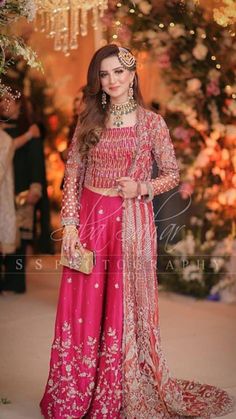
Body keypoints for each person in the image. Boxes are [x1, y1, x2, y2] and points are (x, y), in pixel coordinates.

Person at [40, 45, 235, 418]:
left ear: (132, 75)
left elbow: (172, 175)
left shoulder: (151, 123)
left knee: (120, 308)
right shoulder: (89, 120)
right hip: (90, 222)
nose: (112, 80)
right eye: (104, 74)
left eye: (118, 72)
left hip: (129, 225)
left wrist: (141, 188)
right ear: (98, 80)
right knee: (83, 308)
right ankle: (76, 392)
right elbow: (73, 175)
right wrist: (68, 225)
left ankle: (117, 389)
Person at [0, 92, 44, 293]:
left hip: (21, 188)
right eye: (2, 100)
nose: (4, 104)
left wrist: (36, 186)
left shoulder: (29, 129)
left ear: (19, 104)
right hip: (3, 188)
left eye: (9, 100)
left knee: (21, 237)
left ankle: (16, 281)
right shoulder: (3, 129)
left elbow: (37, 162)